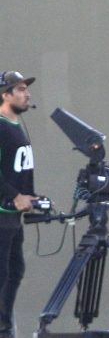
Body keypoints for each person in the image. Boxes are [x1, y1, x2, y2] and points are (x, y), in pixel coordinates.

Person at [0, 71, 38, 338]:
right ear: (5, 95)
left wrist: (31, 196)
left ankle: (4, 325)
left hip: (13, 214)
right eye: (21, 89)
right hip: (2, 211)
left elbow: (18, 168)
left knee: (15, 271)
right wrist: (14, 196)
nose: (27, 94)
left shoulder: (15, 126)